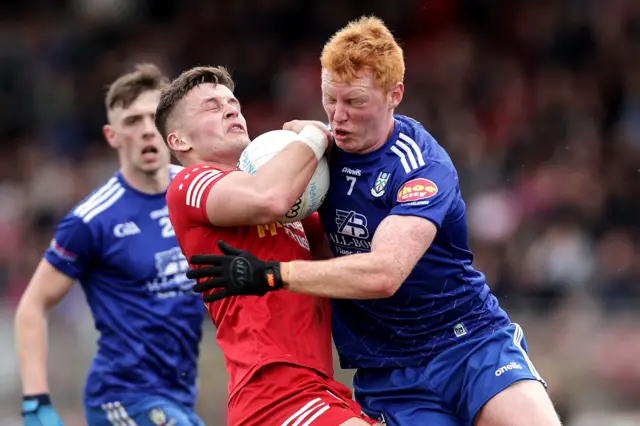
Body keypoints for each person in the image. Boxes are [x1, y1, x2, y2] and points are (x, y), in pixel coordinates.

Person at [185, 16, 564, 426]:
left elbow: (385, 273)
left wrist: (274, 274)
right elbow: (267, 182)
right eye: (330, 99)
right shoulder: (317, 154)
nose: (339, 116)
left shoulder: (421, 167)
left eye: (355, 102)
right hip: (390, 374)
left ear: (393, 94)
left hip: (468, 342)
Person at [156, 65, 378, 426]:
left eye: (232, 102)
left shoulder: (296, 209)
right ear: (180, 141)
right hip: (274, 394)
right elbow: (269, 196)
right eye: (212, 107)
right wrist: (314, 136)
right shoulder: (189, 185)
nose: (231, 109)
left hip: (317, 388)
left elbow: (343, 260)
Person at [14, 64, 205, 426]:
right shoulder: (92, 221)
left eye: (154, 117)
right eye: (132, 121)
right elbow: (33, 305)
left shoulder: (200, 191)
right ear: (112, 135)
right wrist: (35, 401)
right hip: (122, 399)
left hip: (179, 395)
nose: (147, 131)